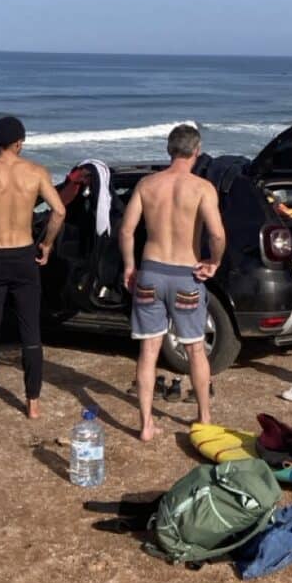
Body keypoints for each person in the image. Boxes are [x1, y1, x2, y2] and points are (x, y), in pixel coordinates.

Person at [118, 123, 226, 442]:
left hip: (151, 271)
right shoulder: (202, 188)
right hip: (184, 274)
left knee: (149, 350)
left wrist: (129, 266)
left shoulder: (147, 184)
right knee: (195, 350)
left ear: (169, 150)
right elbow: (217, 234)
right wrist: (214, 262)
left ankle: (146, 425)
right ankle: (203, 418)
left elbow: (126, 231)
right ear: (197, 151)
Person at [0, 116, 66, 422]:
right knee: (30, 331)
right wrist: (46, 244)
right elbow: (59, 211)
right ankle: (33, 403)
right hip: (23, 255)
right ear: (20, 142)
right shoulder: (36, 172)